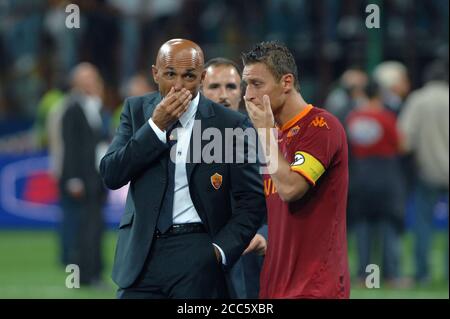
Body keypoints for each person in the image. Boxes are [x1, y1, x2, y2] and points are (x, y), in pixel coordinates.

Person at [100, 39, 266, 299]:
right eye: (169, 74)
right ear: (155, 73)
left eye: (188, 76)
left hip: (198, 251)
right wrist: (155, 127)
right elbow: (112, 174)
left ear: (201, 78)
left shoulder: (229, 125)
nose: (178, 85)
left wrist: (219, 251)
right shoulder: (135, 111)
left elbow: (251, 203)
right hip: (142, 254)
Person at [242, 41, 350, 298]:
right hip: (274, 287)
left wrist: (265, 132)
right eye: (246, 84)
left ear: (286, 82)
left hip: (315, 288)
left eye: (257, 84)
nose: (247, 95)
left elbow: (290, 189)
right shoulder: (273, 136)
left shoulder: (321, 126)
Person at [202, 57, 267, 298]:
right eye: (214, 87)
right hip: (199, 256)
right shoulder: (183, 138)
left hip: (249, 255)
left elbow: (278, 194)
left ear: (241, 92)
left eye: (230, 87)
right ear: (200, 90)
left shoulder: (263, 136)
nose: (223, 95)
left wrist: (265, 234)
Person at [49, 62, 108, 286]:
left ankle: (94, 271)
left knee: (95, 227)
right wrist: (73, 178)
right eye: (86, 78)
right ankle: (85, 274)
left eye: (93, 78)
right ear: (77, 82)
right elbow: (71, 146)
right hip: (81, 178)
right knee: (83, 228)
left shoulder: (97, 106)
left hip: (96, 178)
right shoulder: (73, 108)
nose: (91, 82)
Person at [346, 81, 408, 288]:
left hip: (361, 176)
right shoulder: (386, 117)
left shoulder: (353, 118)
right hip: (386, 175)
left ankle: (365, 276)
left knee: (363, 226)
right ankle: (390, 275)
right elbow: (401, 145)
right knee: (387, 225)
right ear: (379, 96)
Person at [398, 60, 449, 285]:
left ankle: (422, 274)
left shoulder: (418, 100)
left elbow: (404, 140)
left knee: (423, 224)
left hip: (427, 171)